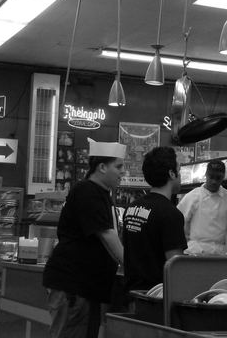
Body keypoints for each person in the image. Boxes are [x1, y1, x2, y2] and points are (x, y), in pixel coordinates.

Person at [43, 138, 126, 338]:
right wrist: (134, 265)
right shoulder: (87, 192)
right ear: (102, 167)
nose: (123, 172)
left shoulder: (101, 193)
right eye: (119, 166)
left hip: (86, 288)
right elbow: (108, 235)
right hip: (74, 287)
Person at [122, 146, 187, 291]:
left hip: (131, 295)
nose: (181, 176)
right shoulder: (171, 214)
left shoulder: (131, 208)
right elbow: (175, 266)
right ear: (172, 173)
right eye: (179, 170)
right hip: (156, 298)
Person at [177, 159, 227, 256]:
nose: (214, 181)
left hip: (219, 254)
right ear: (206, 174)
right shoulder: (192, 197)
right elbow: (178, 222)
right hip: (194, 252)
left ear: (223, 177)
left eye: (218, 178)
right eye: (211, 177)